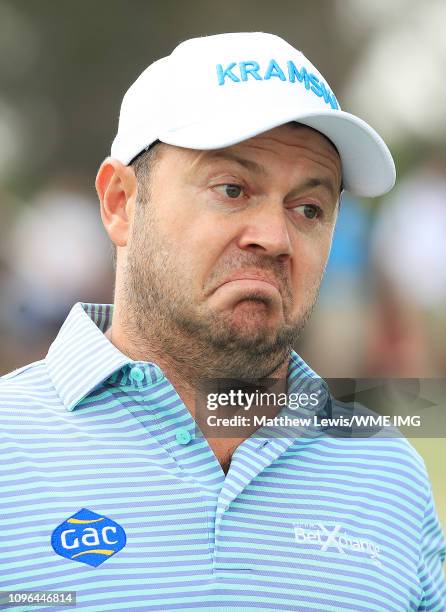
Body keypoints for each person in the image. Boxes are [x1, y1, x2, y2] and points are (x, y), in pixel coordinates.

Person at [1, 32, 445, 611]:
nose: (276, 237)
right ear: (119, 203)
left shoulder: (388, 476)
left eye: (309, 208)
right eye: (232, 189)